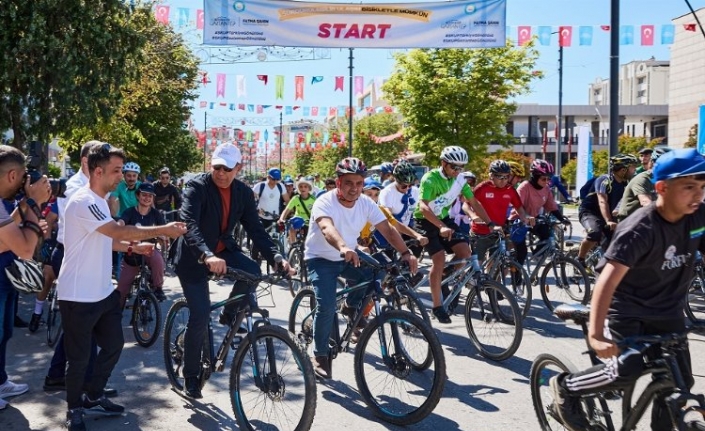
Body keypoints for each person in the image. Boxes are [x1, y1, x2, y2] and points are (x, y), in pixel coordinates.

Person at [549, 148, 705, 431]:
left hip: (667, 310)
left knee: (679, 381)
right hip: (626, 309)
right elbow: (606, 282)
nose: (698, 194)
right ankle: (567, 387)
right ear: (662, 188)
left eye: (703, 187)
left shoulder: (698, 217)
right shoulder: (640, 228)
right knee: (624, 371)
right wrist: (596, 336)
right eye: (689, 187)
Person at [59, 143, 186, 431]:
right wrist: (162, 229)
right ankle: (74, 408)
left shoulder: (100, 201)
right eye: (117, 170)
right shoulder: (83, 200)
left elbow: (107, 238)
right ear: (98, 171)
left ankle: (93, 394)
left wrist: (133, 245)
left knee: (114, 344)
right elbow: (116, 230)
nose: (122, 176)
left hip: (103, 291)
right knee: (78, 359)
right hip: (78, 295)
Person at [172, 143, 292, 399]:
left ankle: (229, 314)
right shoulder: (197, 186)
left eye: (228, 168)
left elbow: (256, 230)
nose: (222, 173)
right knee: (200, 314)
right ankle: (191, 376)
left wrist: (277, 257)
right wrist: (207, 255)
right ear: (211, 165)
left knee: (252, 269)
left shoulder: (243, 193)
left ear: (238, 168)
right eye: (217, 167)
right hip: (194, 256)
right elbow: (189, 225)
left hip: (222, 250)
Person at [305, 157, 418, 379]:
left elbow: (387, 229)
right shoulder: (324, 202)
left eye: (358, 183)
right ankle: (320, 355)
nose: (354, 188)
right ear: (338, 183)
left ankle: (350, 305)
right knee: (326, 306)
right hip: (320, 258)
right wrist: (344, 246)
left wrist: (406, 253)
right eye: (348, 183)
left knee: (378, 271)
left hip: (349, 255)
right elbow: (327, 228)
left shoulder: (366, 203)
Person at [413, 146, 495, 324]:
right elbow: (423, 207)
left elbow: (473, 201)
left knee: (465, 253)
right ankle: (437, 306)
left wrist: (490, 223)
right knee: (439, 257)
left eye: (461, 168)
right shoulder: (430, 178)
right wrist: (441, 227)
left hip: (443, 219)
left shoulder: (460, 180)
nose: (457, 171)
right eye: (454, 167)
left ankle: (443, 275)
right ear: (443, 163)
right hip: (425, 221)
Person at [0, 145, 52, 410]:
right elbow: (24, 248)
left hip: (4, 273)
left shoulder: (3, 202)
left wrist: (26, 210)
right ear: (12, 176)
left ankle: (0, 381)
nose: (25, 183)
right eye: (23, 178)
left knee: (5, 332)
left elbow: (8, 235)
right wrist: (34, 203)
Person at [576, 154, 638, 265]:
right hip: (590, 213)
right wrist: (609, 220)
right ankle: (580, 259)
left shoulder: (626, 184)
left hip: (607, 215)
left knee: (619, 245)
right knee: (594, 233)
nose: (635, 170)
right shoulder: (604, 180)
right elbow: (602, 201)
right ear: (623, 169)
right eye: (633, 167)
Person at [509, 159, 570, 266]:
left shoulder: (546, 189)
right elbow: (518, 206)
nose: (546, 181)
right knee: (521, 253)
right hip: (519, 219)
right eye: (543, 179)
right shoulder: (524, 186)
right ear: (535, 176)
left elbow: (551, 205)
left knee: (547, 234)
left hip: (535, 219)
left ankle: (536, 255)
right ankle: (517, 279)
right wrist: (526, 216)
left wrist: (562, 219)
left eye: (548, 179)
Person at [470, 160, 531, 262]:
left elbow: (519, 207)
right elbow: (466, 205)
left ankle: (491, 278)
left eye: (506, 177)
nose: (503, 180)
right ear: (491, 175)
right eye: (499, 177)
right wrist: (472, 216)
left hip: (498, 232)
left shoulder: (510, 189)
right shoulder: (482, 187)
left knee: (498, 266)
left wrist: (525, 217)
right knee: (477, 267)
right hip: (480, 233)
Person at [116, 183, 167, 303]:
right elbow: (121, 223)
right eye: (144, 195)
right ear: (138, 196)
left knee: (158, 259)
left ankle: (158, 288)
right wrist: (118, 227)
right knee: (121, 291)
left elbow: (164, 232)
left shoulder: (156, 214)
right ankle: (115, 316)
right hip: (131, 253)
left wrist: (161, 236)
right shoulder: (129, 212)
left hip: (148, 250)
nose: (147, 198)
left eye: (150, 196)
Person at [617, 147, 672, 222]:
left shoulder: (667, 181)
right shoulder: (643, 178)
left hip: (647, 219)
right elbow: (645, 203)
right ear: (653, 163)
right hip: (629, 221)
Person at [278, 176, 315, 245]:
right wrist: (281, 219)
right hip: (297, 221)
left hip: (308, 223)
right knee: (291, 228)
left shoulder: (314, 200)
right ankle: (292, 246)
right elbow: (286, 210)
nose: (303, 188)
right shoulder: (295, 198)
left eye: (305, 187)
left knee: (308, 242)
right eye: (300, 186)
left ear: (309, 188)